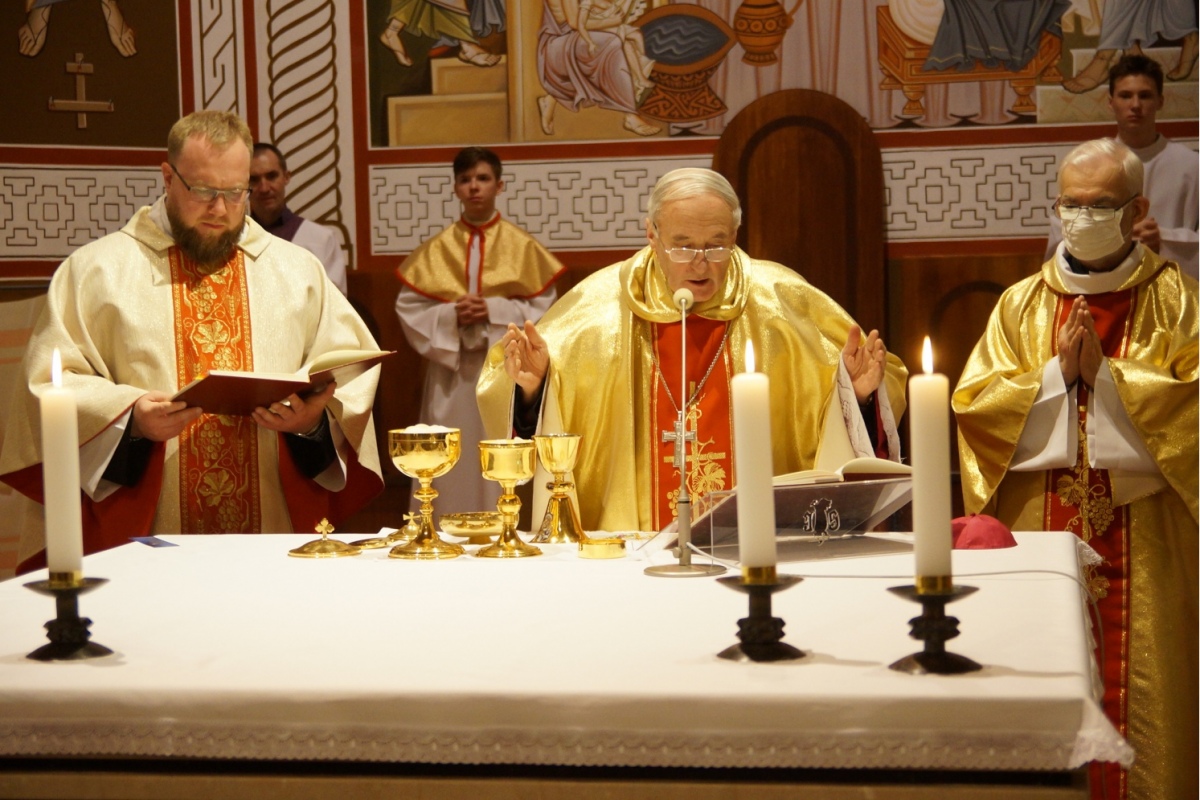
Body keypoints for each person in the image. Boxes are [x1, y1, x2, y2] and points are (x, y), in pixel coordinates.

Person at [0, 110, 384, 571]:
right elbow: (53, 385)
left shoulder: (296, 271)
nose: (220, 209)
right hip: (143, 542)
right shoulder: (96, 272)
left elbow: (345, 371)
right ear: (167, 177)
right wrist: (132, 419)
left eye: (235, 193)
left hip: (271, 538)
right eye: (203, 191)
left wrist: (310, 420)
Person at [954, 139, 1197, 800]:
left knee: (1152, 689)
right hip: (1041, 532)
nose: (1081, 216)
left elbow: (1195, 412)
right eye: (1071, 204)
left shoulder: (1179, 300)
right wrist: (1056, 380)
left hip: (1150, 539)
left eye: (1100, 205)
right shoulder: (1021, 304)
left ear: (1138, 208)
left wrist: (1109, 381)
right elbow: (975, 410)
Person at [479, 167, 907, 533]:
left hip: (755, 545)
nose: (700, 262)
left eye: (716, 244)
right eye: (682, 245)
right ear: (652, 235)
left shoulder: (782, 301)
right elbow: (513, 400)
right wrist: (535, 389)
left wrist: (858, 392)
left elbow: (856, 402)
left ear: (736, 234)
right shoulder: (595, 311)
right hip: (630, 545)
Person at [396, 147, 564, 514]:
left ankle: (502, 526)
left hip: (506, 369)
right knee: (445, 456)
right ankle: (438, 525)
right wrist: (451, 315)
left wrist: (493, 310)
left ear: (499, 185)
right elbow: (410, 308)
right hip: (452, 371)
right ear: (455, 188)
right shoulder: (436, 249)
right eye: (465, 179)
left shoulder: (523, 247)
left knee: (498, 448)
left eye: (482, 179)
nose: (474, 187)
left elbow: (546, 312)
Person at [1046, 55, 1199, 280]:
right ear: (1111, 102)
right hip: (1102, 288)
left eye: (1145, 95)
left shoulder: (1192, 165)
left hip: (1172, 286)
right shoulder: (1086, 165)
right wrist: (1108, 234)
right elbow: (1060, 238)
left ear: (1160, 101)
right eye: (1125, 95)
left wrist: (1163, 240)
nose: (1135, 105)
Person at [249, 143, 349, 295]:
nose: (264, 188)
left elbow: (333, 306)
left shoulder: (321, 240)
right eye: (254, 180)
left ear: (286, 177)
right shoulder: (233, 241)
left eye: (271, 176)